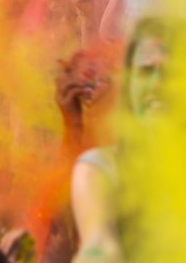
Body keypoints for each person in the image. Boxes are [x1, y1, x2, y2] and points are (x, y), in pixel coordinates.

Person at [70, 20, 170, 263]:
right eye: (146, 71)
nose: (156, 84)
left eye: (170, 74)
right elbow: (99, 244)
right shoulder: (101, 169)